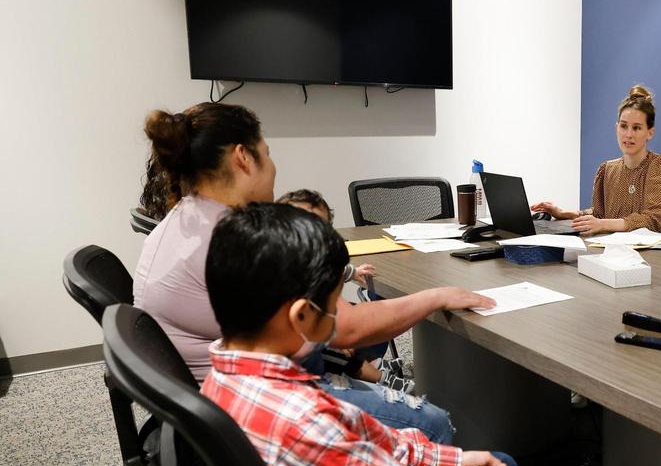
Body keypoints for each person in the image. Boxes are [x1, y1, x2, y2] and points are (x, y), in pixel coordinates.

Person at [202, 202, 598, 466]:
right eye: (334, 306)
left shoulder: (227, 373)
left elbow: (371, 442)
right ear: (301, 315)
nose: (340, 316)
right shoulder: (303, 419)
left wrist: (455, 459)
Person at [133, 102, 490, 442]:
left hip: (211, 398)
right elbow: (345, 326)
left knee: (364, 327)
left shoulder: (185, 219)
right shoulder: (233, 239)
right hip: (248, 413)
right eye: (267, 153)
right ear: (243, 157)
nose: (273, 167)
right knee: (432, 424)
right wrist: (436, 296)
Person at [531, 85, 661, 237]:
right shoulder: (608, 169)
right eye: (624, 126)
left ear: (650, 133)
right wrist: (564, 213)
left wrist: (603, 224)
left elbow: (653, 222)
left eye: (637, 128)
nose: (629, 134)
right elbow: (599, 214)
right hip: (619, 253)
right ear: (617, 128)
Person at [278, 188, 385, 384]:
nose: (311, 234)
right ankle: (372, 374)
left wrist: (353, 272)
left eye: (320, 227)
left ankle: (372, 365)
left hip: (320, 334)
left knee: (373, 316)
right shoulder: (280, 268)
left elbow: (332, 269)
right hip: (305, 360)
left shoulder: (318, 258)